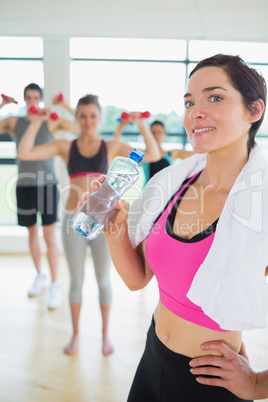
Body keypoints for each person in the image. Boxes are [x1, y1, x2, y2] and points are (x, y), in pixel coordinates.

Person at [83, 55, 268, 400]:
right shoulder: (172, 186)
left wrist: (258, 384)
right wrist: (114, 226)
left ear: (254, 110)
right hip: (153, 357)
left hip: (209, 384)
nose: (194, 112)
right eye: (189, 101)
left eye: (215, 97)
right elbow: (137, 278)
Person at [17, 94, 160, 356]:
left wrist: (140, 124)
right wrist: (37, 121)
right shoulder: (65, 145)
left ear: (99, 117)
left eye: (93, 116)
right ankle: (75, 334)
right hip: (74, 221)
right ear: (77, 117)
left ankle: (105, 335)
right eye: (82, 116)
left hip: (103, 225)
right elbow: (25, 152)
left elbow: (153, 153)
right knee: (76, 282)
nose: (87, 121)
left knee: (103, 281)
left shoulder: (111, 147)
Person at [0, 83, 79, 309]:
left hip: (47, 185)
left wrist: (63, 105)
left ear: (41, 100)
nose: (33, 101)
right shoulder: (15, 122)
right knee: (32, 232)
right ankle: (39, 276)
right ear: (25, 100)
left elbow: (79, 127)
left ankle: (55, 284)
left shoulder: (51, 120)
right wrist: (4, 105)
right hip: (24, 185)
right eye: (29, 98)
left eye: (36, 98)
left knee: (49, 236)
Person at [114, 118, 194, 186]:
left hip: (167, 197)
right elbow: (115, 146)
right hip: (148, 196)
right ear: (149, 135)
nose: (156, 136)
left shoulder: (172, 154)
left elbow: (197, 152)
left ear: (164, 134)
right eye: (153, 132)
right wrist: (121, 126)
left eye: (159, 132)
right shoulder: (144, 155)